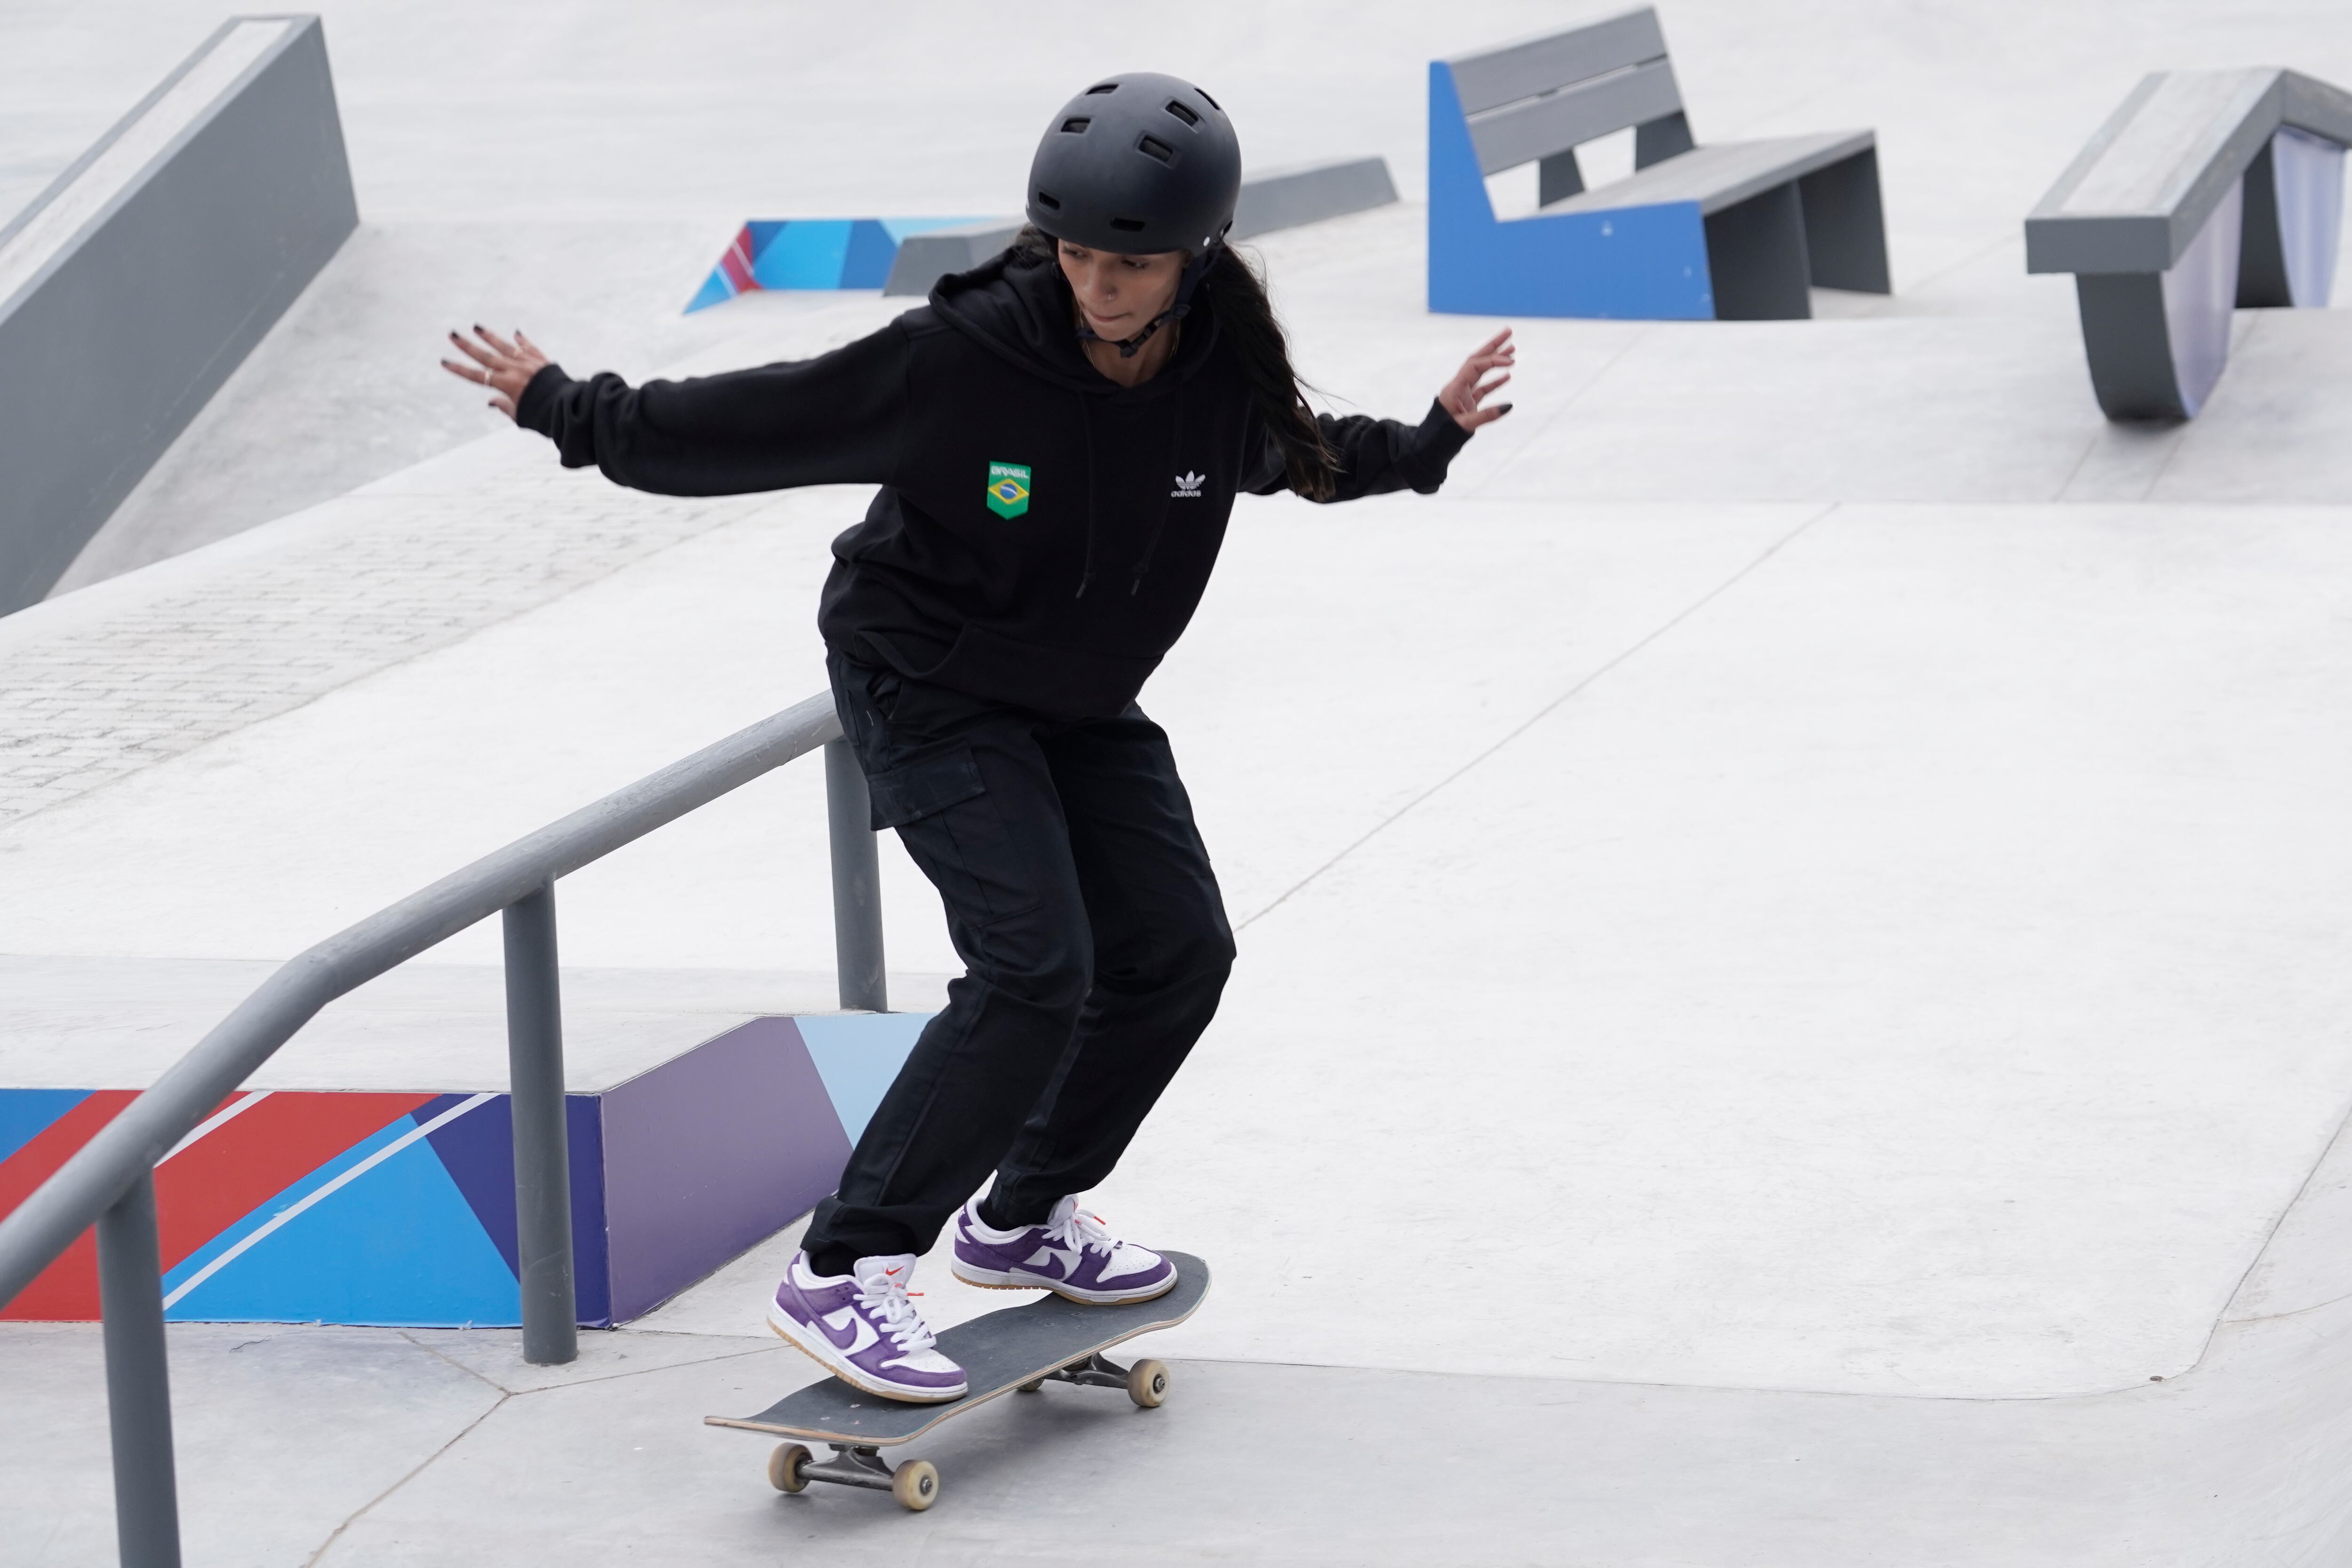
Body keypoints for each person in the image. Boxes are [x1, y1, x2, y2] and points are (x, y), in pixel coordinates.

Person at [442, 71, 1513, 1403]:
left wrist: (1429, 441)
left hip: (1076, 693)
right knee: (1032, 964)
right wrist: (572, 407)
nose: (1095, 286)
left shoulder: (1219, 363)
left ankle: (1022, 1217)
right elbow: (764, 419)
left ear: (1194, 257)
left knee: (1180, 952)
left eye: (1126, 263)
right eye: (1072, 254)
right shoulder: (970, 354)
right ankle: (847, 1267)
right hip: (928, 679)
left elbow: (1295, 452)